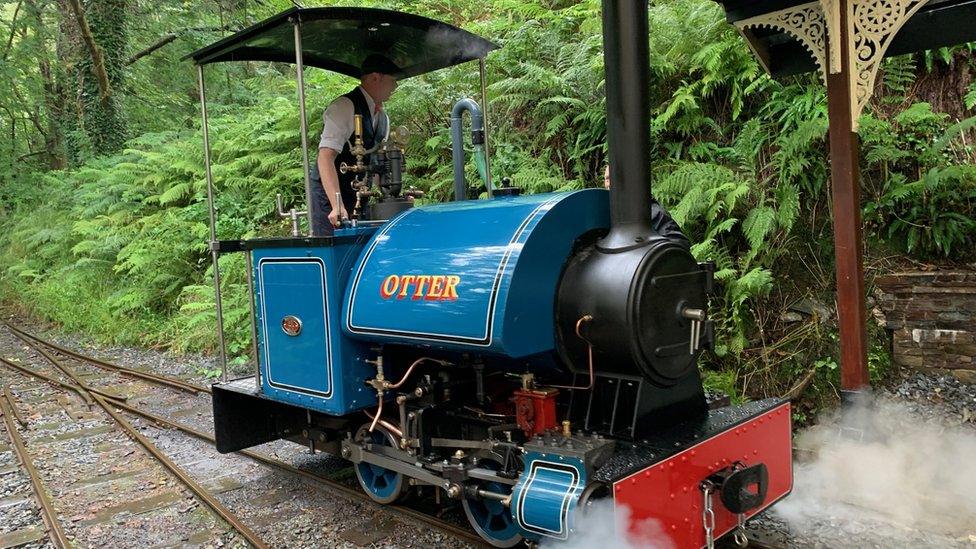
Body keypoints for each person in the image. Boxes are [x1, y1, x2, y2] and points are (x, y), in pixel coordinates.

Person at [310, 54, 400, 236]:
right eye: (392, 81)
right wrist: (337, 205)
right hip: (329, 199)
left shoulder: (383, 118)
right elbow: (325, 156)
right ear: (376, 78)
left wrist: (392, 196)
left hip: (360, 196)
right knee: (336, 252)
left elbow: (376, 165)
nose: (395, 87)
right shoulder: (344, 106)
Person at [603, 164, 690, 248]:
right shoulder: (604, 216)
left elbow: (679, 244)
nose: (610, 183)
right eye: (607, 179)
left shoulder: (653, 213)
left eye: (615, 178)